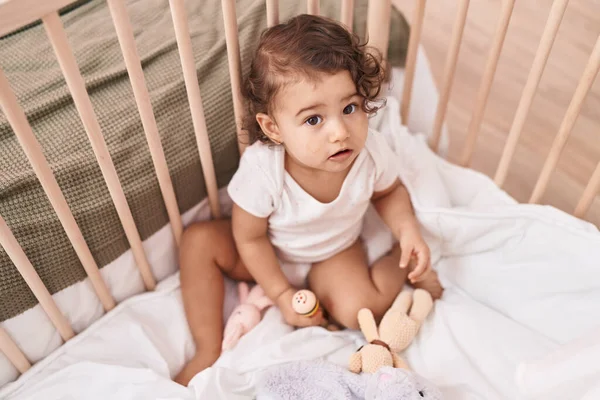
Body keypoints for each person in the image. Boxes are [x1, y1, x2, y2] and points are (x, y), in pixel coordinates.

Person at [174, 14, 443, 386]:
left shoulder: (370, 154)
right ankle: (206, 348)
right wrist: (281, 292)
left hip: (334, 252)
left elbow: (389, 192)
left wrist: (407, 229)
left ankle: (403, 265)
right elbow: (248, 236)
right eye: (314, 120)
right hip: (267, 253)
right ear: (273, 128)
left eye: (349, 109)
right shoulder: (264, 170)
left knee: (360, 309)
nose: (339, 132)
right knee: (198, 241)